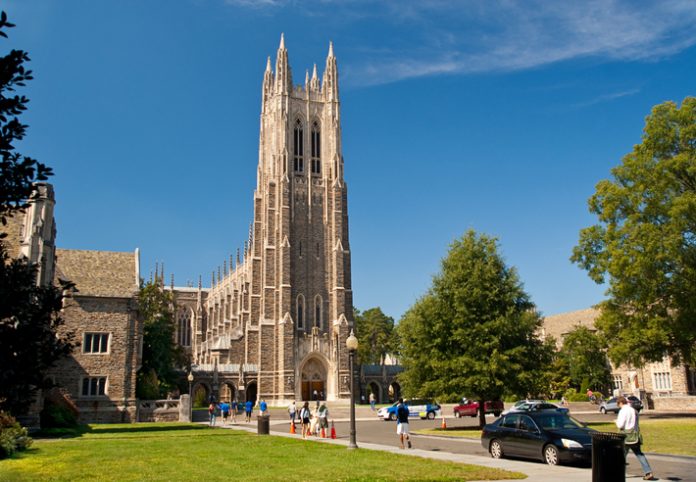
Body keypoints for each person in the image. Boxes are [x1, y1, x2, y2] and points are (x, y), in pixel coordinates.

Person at [616, 396, 655, 481]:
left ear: (621, 403)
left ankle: (618, 473)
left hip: (626, 437)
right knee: (639, 454)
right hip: (635, 435)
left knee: (621, 455)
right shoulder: (634, 411)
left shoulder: (623, 411)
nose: (618, 406)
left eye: (618, 404)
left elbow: (620, 425)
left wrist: (616, 422)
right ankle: (648, 472)